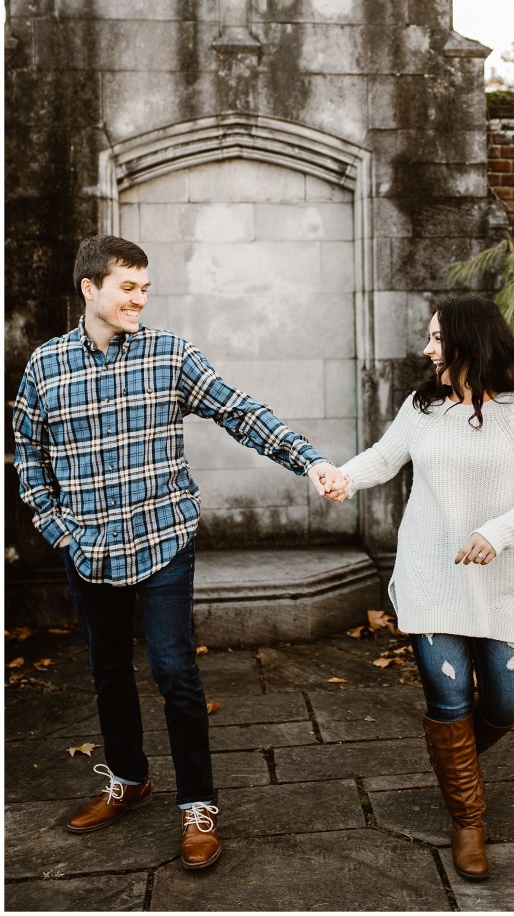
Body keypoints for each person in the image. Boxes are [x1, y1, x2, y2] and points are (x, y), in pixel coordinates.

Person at [12, 235, 345, 871]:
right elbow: (28, 454)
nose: (141, 297)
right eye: (127, 287)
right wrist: (58, 529)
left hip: (162, 539)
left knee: (173, 670)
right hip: (88, 549)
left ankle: (197, 805)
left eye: (144, 286)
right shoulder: (46, 367)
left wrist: (310, 461)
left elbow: (239, 412)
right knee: (108, 669)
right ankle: (129, 779)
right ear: (90, 289)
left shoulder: (170, 356)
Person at [324, 293, 514, 880]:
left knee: (510, 701)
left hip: (498, 579)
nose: (427, 349)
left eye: (437, 338)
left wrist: (497, 532)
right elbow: (384, 456)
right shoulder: (421, 406)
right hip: (430, 575)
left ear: (468, 342)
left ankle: (453, 763)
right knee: (449, 702)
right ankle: (467, 820)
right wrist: (342, 478)